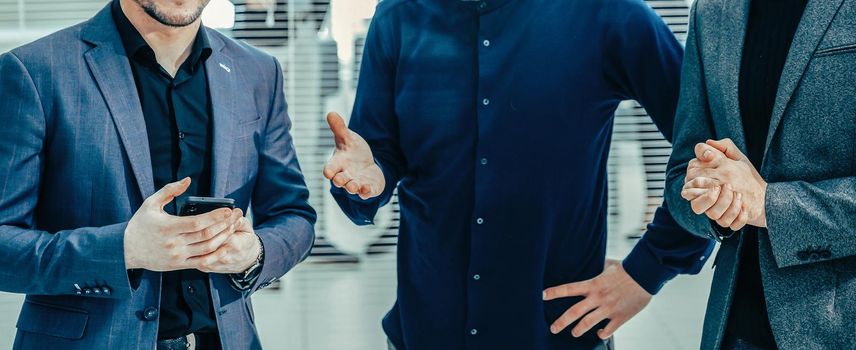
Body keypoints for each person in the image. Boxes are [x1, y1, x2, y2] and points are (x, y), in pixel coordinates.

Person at [323, 0, 714, 349]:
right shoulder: (399, 16)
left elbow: (710, 152)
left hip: (555, 332)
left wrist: (645, 272)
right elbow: (373, 159)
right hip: (425, 327)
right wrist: (365, 182)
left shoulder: (608, 14)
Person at [0, 0, 316, 348]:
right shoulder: (34, 71)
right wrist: (125, 250)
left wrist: (254, 253)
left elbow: (293, 216)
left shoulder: (257, 72)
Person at [665, 0, 856, 349]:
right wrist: (715, 200)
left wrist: (767, 204)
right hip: (733, 328)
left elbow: (758, 199)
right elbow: (681, 173)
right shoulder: (711, 11)